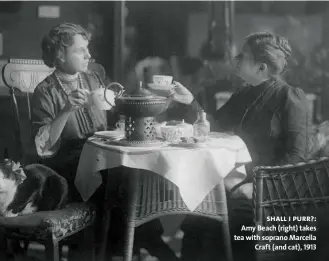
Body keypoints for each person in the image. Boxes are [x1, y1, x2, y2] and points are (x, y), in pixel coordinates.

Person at [31, 23, 179, 261]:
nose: (88, 55)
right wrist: (67, 109)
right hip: (67, 164)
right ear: (59, 54)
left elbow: (115, 108)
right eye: (80, 50)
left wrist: (124, 118)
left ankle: (137, 242)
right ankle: (144, 244)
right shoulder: (45, 91)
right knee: (120, 177)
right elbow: (43, 146)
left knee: (135, 173)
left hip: (101, 152)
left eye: (87, 49)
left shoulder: (93, 79)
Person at [169, 32, 309, 261]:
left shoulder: (290, 98)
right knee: (196, 219)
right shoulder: (246, 92)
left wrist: (258, 186)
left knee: (228, 222)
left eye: (242, 56)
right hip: (238, 182)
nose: (236, 59)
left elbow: (297, 156)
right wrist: (190, 102)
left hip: (275, 190)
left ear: (261, 67)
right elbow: (214, 124)